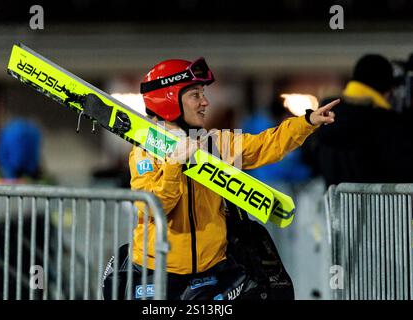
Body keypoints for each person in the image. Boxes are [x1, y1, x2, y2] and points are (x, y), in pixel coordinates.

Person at [103, 58, 338, 300]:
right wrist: (175, 164)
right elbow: (154, 207)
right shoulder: (145, 151)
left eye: (203, 93)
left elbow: (265, 145)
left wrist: (307, 123)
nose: (205, 102)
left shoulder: (214, 143)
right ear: (170, 99)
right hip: (157, 272)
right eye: (195, 95)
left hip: (212, 270)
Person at [310, 54, 413, 187]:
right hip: (380, 206)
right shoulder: (386, 122)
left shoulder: (324, 116)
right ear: (386, 89)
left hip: (337, 206)